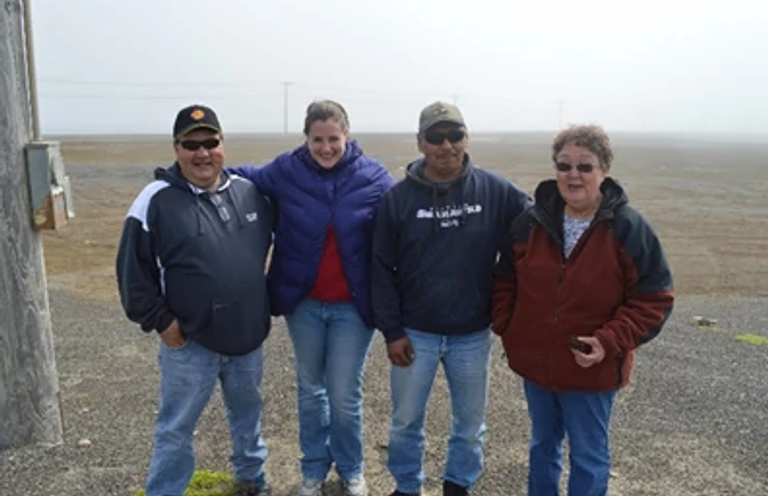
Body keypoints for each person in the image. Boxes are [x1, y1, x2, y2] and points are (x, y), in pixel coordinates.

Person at [491, 125, 675, 496]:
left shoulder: (627, 228)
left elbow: (654, 297)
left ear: (603, 170)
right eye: (564, 165)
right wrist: (509, 326)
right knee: (542, 446)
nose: (573, 175)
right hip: (537, 367)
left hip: (590, 369)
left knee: (589, 455)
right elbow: (504, 278)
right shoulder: (531, 222)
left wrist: (608, 342)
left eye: (585, 166)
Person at [230, 100, 394, 496]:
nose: (325, 148)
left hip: (353, 308)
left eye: (333, 139)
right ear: (306, 138)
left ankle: (352, 470)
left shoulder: (373, 178)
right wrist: (187, 177)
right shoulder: (287, 170)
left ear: (347, 136)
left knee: (343, 394)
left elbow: (403, 220)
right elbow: (240, 176)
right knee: (309, 390)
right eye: (317, 139)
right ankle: (313, 471)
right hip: (303, 304)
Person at [371, 101, 532, 496]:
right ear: (420, 142)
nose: (447, 146)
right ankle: (407, 486)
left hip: (471, 334)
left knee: (470, 422)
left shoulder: (494, 190)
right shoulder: (398, 199)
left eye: (455, 135)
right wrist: (392, 330)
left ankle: (458, 485)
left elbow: (535, 222)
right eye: (436, 137)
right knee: (406, 420)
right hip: (414, 333)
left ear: (467, 138)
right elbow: (379, 268)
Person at [116, 104, 274, 496]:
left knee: (248, 417)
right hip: (190, 343)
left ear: (223, 144)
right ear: (176, 149)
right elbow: (132, 273)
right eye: (191, 144)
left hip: (247, 338)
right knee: (176, 429)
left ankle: (252, 480)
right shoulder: (156, 200)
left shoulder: (249, 192)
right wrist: (160, 320)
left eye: (211, 142)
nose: (202, 153)